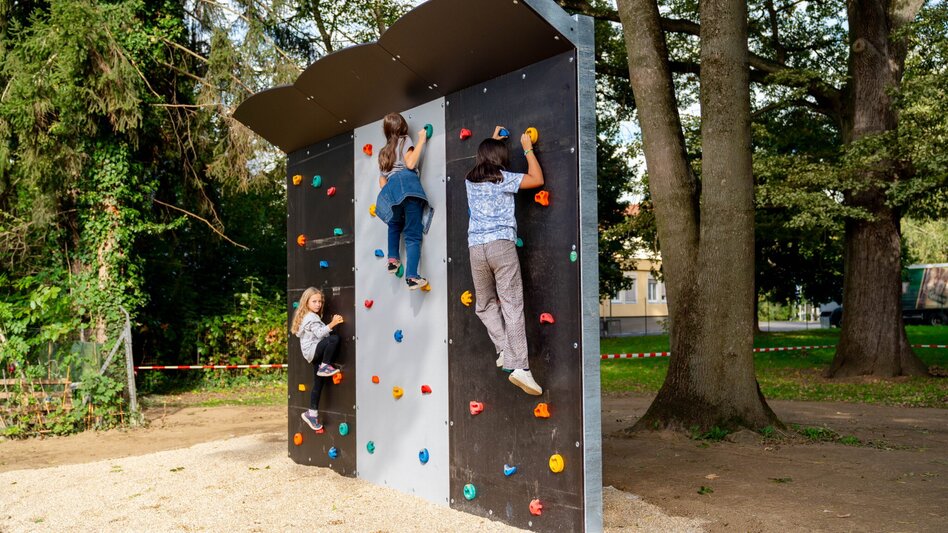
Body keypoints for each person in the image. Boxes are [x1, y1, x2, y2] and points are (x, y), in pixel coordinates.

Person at [465, 126, 544, 396]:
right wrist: (527, 149)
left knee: (484, 305)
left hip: (476, 249)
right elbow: (537, 179)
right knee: (511, 305)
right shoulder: (505, 179)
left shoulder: (469, 181)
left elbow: (483, 158)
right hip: (501, 246)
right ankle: (520, 366)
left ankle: (503, 349)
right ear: (500, 158)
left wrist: (492, 141)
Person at [375, 112, 434, 290]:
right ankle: (412, 276)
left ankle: (393, 260)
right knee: (413, 235)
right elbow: (410, 163)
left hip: (391, 191)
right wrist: (422, 140)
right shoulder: (404, 140)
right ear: (401, 127)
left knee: (394, 225)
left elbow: (382, 181)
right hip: (408, 187)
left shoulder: (383, 152)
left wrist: (392, 193)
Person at [290, 287, 344, 431]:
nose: (318, 304)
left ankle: (311, 413)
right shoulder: (310, 317)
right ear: (306, 302)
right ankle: (325, 366)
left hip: (313, 353)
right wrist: (333, 323)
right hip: (314, 351)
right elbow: (321, 334)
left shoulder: (310, 316)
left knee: (318, 384)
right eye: (314, 301)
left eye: (320, 301)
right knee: (334, 339)